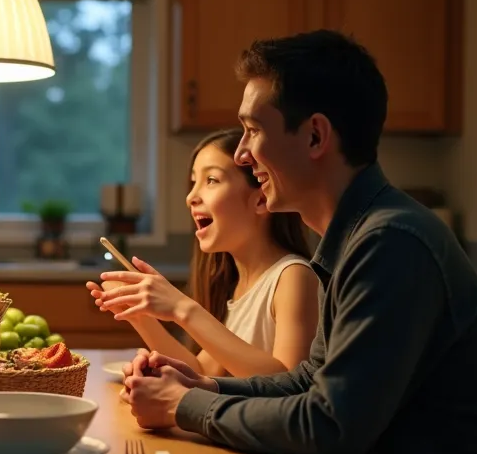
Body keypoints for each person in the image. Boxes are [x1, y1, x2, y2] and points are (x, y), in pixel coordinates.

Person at [99, 30, 477, 454]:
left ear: (315, 136)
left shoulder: (391, 244)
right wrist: (206, 385)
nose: (244, 153)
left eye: (252, 130)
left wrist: (183, 407)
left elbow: (330, 428)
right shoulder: (360, 238)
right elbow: (308, 380)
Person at [86, 128, 316, 376]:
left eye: (212, 180)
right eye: (194, 182)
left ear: (261, 199)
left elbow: (290, 385)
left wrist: (182, 308)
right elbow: (201, 371)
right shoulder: (239, 287)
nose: (191, 197)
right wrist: (141, 317)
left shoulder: (293, 277)